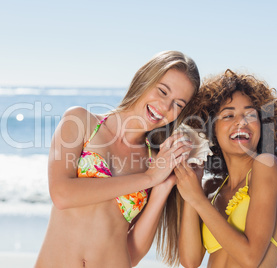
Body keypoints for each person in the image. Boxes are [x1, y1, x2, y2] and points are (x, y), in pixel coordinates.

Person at [34, 50, 201, 268]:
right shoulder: (81, 123)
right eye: (162, 91)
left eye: (178, 104)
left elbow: (133, 252)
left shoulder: (156, 161)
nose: (165, 107)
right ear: (144, 79)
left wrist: (163, 186)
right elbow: (62, 194)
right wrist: (149, 178)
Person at [174, 69, 277, 267]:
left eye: (250, 114)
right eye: (228, 115)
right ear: (212, 129)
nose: (241, 122)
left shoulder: (266, 166)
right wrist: (195, 186)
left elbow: (250, 258)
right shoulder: (213, 189)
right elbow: (190, 260)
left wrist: (197, 200)